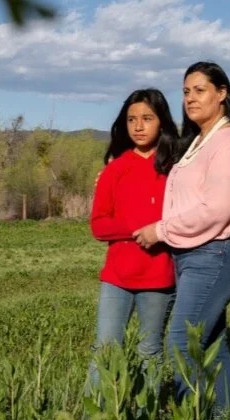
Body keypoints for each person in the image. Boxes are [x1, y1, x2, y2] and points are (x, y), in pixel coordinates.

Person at [133, 61, 230, 415]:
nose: (190, 98)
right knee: (212, 344)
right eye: (186, 91)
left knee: (181, 343)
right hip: (196, 255)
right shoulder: (200, 142)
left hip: (215, 255)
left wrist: (159, 230)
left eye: (200, 90)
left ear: (222, 94)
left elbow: (216, 209)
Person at [85, 88, 180, 396]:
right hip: (117, 279)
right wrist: (139, 228)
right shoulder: (115, 169)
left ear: (162, 123)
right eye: (132, 119)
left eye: (147, 119)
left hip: (159, 277)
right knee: (105, 349)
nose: (138, 126)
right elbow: (99, 226)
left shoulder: (176, 170)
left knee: (149, 351)